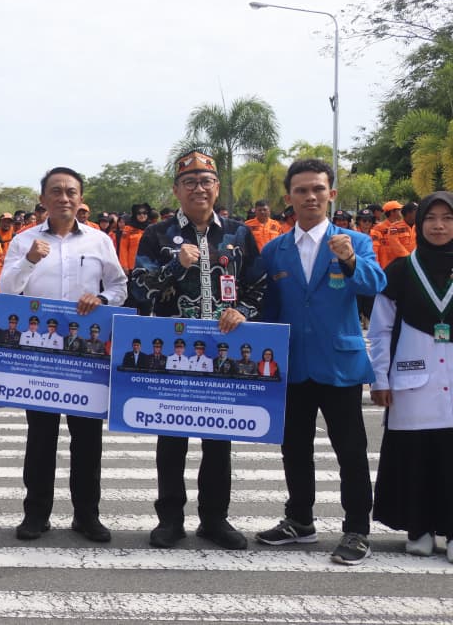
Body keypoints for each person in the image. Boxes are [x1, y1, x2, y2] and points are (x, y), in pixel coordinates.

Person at [129, 149, 265, 551]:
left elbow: (258, 285)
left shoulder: (239, 234)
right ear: (176, 189)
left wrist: (242, 310)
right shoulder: (157, 235)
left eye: (206, 181)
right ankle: (170, 518)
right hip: (175, 353)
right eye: (189, 182)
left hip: (223, 353)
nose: (198, 188)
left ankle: (214, 519)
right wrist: (176, 266)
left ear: (217, 187)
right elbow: (139, 287)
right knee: (171, 438)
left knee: (218, 440)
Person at [254, 159, 384, 562]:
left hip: (339, 363)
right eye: (301, 190)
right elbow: (266, 307)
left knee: (350, 449)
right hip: (292, 364)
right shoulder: (274, 250)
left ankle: (357, 529)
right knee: (294, 447)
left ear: (332, 194)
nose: (310, 196)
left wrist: (350, 260)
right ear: (289, 197)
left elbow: (376, 284)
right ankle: (300, 520)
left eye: (318, 189)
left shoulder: (354, 241)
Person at [0, 165, 127, 543]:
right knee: (41, 436)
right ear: (43, 199)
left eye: (71, 191)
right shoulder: (24, 241)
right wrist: (29, 262)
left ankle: (87, 514)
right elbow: (7, 291)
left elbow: (119, 287)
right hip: (39, 352)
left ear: (80, 198)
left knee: (87, 438)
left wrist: (100, 298)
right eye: (56, 191)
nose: (64, 198)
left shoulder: (99, 241)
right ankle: (36, 513)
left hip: (85, 353)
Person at [367, 191, 453, 562]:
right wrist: (380, 379)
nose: (438, 226)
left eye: (447, 219)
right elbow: (381, 329)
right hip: (412, 381)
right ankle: (418, 528)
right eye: (431, 218)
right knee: (416, 456)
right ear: (418, 224)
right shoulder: (400, 270)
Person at [373, 200, 416, 270]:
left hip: (408, 263)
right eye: (399, 210)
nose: (401, 212)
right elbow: (378, 247)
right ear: (392, 212)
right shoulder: (379, 228)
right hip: (389, 262)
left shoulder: (417, 226)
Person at [119, 204, 152, 273]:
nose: (142, 215)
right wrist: (124, 265)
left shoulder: (152, 228)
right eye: (139, 213)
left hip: (150, 265)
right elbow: (123, 248)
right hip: (133, 266)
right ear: (135, 215)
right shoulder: (128, 229)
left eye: (144, 213)